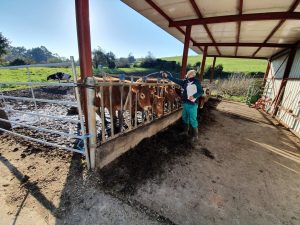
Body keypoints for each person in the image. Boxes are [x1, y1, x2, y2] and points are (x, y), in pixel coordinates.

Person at [162, 70, 203, 143]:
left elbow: (201, 91)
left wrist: (194, 96)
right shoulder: (185, 81)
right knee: (185, 117)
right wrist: (167, 76)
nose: (188, 75)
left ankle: (195, 136)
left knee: (193, 119)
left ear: (193, 75)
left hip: (192, 104)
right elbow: (176, 80)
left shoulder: (196, 82)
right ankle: (185, 131)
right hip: (185, 103)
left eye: (190, 74)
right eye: (188, 74)